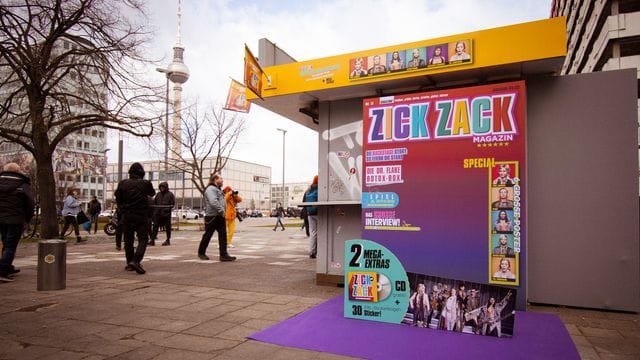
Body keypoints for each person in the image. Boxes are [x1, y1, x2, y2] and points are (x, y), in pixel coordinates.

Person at [114, 162, 156, 274]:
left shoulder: (122, 183)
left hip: (127, 215)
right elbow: (152, 193)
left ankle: (129, 263)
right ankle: (136, 260)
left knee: (128, 240)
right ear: (141, 173)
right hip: (141, 215)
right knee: (143, 239)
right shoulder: (145, 183)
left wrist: (122, 209)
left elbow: (118, 197)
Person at [0, 163, 35, 282]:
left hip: (1, 218)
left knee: (5, 242)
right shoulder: (22, 184)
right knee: (10, 244)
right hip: (16, 218)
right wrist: (27, 218)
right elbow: (30, 203)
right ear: (18, 171)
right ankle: (3, 270)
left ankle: (7, 266)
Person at [198, 173, 236, 262]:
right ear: (215, 179)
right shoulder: (210, 189)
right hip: (212, 217)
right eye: (221, 179)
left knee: (223, 235)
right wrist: (222, 211)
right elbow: (213, 202)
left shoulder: (218, 189)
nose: (222, 180)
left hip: (220, 216)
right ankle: (201, 253)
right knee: (208, 235)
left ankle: (223, 255)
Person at [150, 182, 175, 246]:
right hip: (158, 214)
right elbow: (155, 203)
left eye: (163, 187)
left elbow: (172, 204)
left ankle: (168, 239)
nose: (162, 188)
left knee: (167, 227)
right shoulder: (158, 194)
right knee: (155, 226)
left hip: (166, 214)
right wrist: (155, 210)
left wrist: (167, 208)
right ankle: (152, 240)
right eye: (161, 187)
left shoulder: (170, 194)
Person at [303, 175, 319, 258]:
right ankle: (320, 250)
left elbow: (304, 202)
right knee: (322, 232)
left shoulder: (308, 190)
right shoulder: (321, 189)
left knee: (313, 233)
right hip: (319, 213)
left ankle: (312, 251)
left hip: (310, 214)